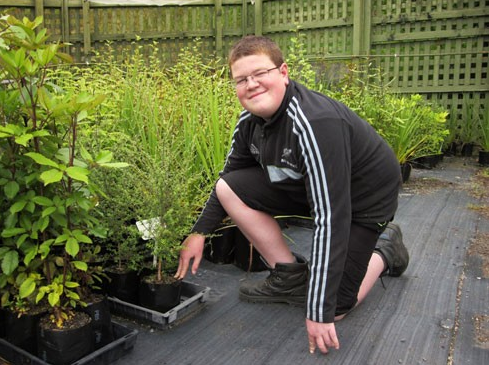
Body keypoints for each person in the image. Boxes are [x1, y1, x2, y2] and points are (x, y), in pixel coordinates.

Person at [174, 35, 409, 354]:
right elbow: (228, 178)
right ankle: (289, 276)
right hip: (315, 185)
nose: (251, 84)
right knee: (229, 187)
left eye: (260, 73)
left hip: (366, 196)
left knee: (336, 305)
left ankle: (384, 251)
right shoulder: (249, 122)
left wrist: (318, 311)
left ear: (283, 72)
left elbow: (331, 219)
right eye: (241, 79)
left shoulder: (313, 122)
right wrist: (199, 232)